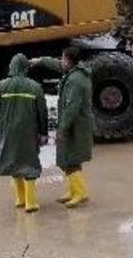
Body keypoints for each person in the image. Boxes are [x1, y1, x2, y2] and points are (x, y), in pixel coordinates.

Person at [31, 47, 93, 207]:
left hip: (75, 125)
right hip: (75, 123)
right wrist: (41, 61)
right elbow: (57, 65)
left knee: (70, 159)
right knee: (70, 158)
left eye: (63, 58)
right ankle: (75, 190)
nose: (61, 61)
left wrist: (62, 129)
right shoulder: (75, 72)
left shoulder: (75, 81)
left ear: (70, 61)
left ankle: (79, 193)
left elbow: (72, 107)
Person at [0, 53, 48, 213]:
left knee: (13, 160)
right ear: (25, 68)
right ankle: (30, 203)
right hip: (29, 131)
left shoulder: (1, 85)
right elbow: (42, 112)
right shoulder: (35, 87)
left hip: (9, 132)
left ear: (11, 67)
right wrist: (43, 133)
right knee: (29, 163)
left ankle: (20, 199)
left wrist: (4, 123)